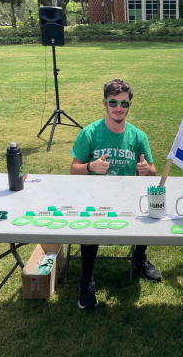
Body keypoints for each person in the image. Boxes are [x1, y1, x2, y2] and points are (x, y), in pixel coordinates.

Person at [70, 79, 161, 310]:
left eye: (124, 103)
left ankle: (139, 260)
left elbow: (153, 171)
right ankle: (87, 279)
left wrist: (145, 170)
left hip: (129, 196)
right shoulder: (89, 133)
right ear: (105, 103)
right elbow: (73, 170)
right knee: (90, 227)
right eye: (113, 103)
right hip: (95, 196)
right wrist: (91, 167)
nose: (118, 108)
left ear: (130, 104)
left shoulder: (138, 136)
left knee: (150, 210)